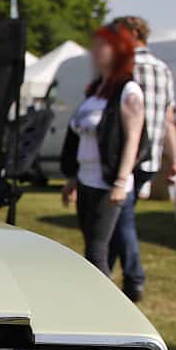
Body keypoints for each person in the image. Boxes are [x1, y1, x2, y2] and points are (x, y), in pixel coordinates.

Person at [60, 24, 146, 287]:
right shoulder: (96, 90)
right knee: (94, 247)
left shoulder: (128, 92)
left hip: (108, 183)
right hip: (86, 180)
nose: (94, 52)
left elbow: (133, 138)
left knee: (97, 252)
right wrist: (73, 178)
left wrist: (121, 182)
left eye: (101, 46)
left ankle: (108, 309)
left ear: (119, 50)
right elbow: (81, 136)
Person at [109, 16, 176, 301]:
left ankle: (134, 277)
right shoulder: (164, 70)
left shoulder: (123, 67)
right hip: (149, 159)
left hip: (123, 157)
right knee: (118, 218)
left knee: (122, 219)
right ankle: (103, 271)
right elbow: (169, 121)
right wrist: (173, 160)